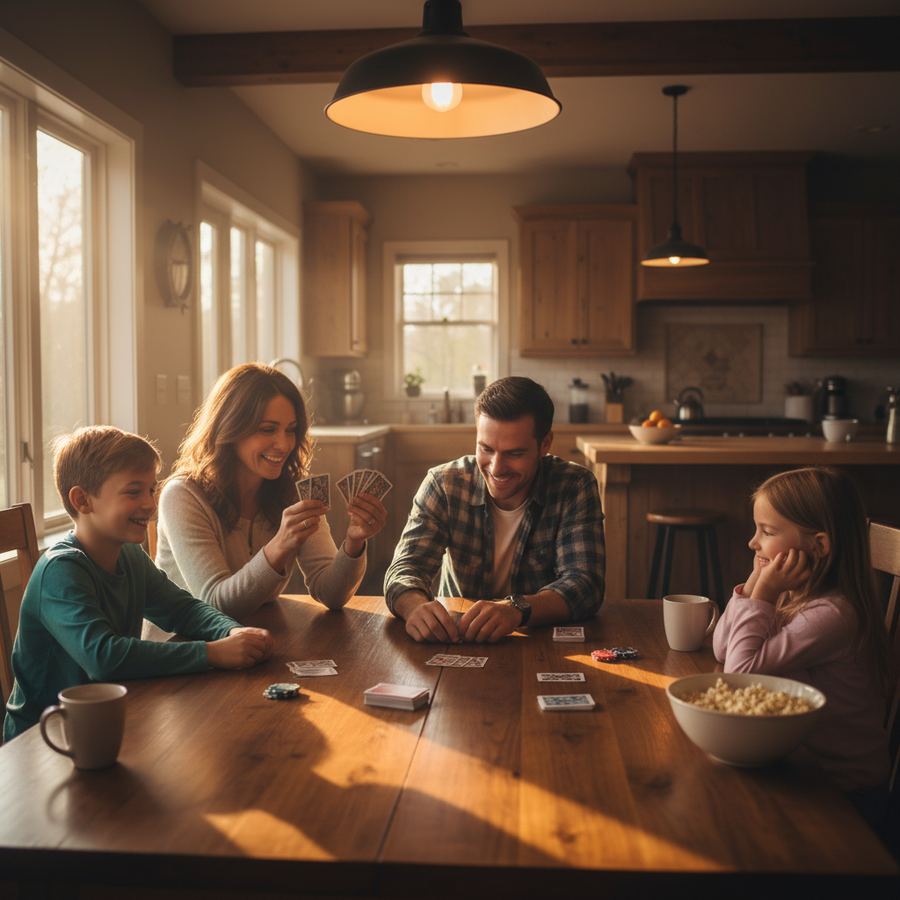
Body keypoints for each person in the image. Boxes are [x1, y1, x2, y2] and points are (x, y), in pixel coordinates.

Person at [3, 426, 273, 742]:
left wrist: (231, 631)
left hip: (107, 723)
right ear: (82, 500)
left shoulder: (129, 555)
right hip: (42, 740)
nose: (149, 503)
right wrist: (212, 653)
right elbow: (103, 657)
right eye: (134, 492)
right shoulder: (61, 570)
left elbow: (182, 609)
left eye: (151, 489)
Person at [713, 466, 890, 826]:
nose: (753, 542)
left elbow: (738, 674)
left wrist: (762, 593)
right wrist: (753, 586)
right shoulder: (791, 597)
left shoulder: (833, 615)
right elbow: (722, 649)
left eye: (767, 531)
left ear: (818, 545)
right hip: (800, 765)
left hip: (845, 796)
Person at [155, 363, 386, 619]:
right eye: (267, 429)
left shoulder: (292, 492)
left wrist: (353, 542)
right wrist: (279, 546)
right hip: (183, 647)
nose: (284, 444)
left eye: (291, 430)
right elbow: (215, 604)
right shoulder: (182, 496)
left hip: (255, 637)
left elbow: (330, 593)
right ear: (230, 428)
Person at [385, 376, 605, 643]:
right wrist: (415, 608)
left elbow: (585, 584)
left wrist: (516, 609)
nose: (496, 467)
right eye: (486, 449)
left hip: (540, 642)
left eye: (514, 454)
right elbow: (405, 569)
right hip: (457, 640)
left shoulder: (574, 485)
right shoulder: (444, 483)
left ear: (544, 444)